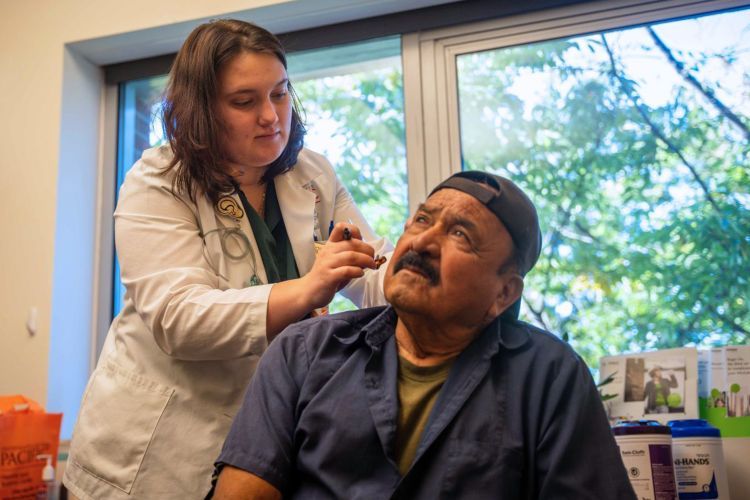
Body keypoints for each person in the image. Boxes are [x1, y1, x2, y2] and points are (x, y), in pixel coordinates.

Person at [63, 19, 390, 500]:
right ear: (202, 110)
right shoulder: (158, 181)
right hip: (152, 456)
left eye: (279, 93)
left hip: (257, 449)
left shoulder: (312, 173)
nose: (270, 115)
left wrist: (425, 270)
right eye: (244, 101)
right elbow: (179, 319)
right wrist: (308, 288)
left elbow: (373, 269)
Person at [210, 171, 637, 499]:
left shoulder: (550, 377)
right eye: (421, 220)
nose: (423, 241)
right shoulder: (305, 351)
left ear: (504, 293)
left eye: (460, 234)